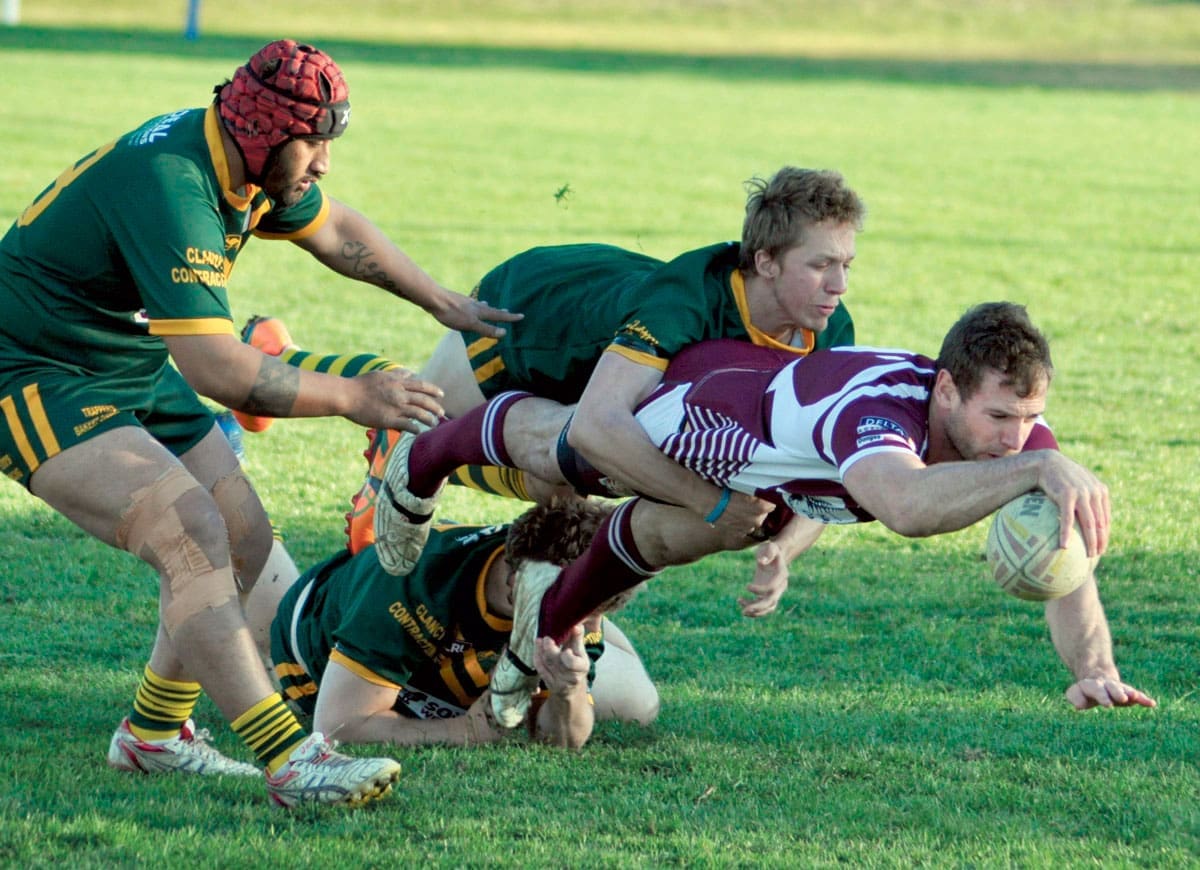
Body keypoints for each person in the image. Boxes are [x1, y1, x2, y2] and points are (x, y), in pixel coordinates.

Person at [0, 39, 519, 808]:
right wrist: (356, 397)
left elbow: (337, 230)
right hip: (34, 370)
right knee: (191, 534)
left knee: (240, 535)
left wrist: (442, 302)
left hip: (123, 361)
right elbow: (220, 373)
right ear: (263, 131)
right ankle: (292, 761)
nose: (323, 164)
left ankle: (153, 737)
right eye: (313, 144)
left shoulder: (244, 154)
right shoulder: (172, 184)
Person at [483, 302, 1157, 727]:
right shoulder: (879, 407)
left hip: (775, 488)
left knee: (663, 542)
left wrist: (1093, 670)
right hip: (700, 417)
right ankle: (438, 433)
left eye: (1032, 420)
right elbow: (904, 506)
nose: (1018, 438)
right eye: (1001, 417)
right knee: (558, 454)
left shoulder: (1021, 443)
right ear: (947, 390)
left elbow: (1067, 557)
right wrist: (1035, 469)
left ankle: (531, 642)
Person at [233, 166, 866, 576]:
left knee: (558, 489)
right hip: (533, 320)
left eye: (847, 265)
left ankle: (277, 359)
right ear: (765, 261)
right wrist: (714, 503)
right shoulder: (686, 303)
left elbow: (827, 464)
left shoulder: (827, 329)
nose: (838, 286)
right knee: (419, 412)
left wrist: (782, 547)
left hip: (586, 360)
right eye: (821, 265)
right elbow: (597, 427)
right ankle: (324, 398)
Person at [270, 499, 658, 747]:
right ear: (514, 582)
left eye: (591, 617)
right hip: (312, 632)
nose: (581, 626)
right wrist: (465, 731)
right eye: (577, 614)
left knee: (640, 706)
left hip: (464, 655)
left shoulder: (578, 611)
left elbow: (560, 738)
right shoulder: (411, 583)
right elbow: (339, 725)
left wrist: (569, 690)